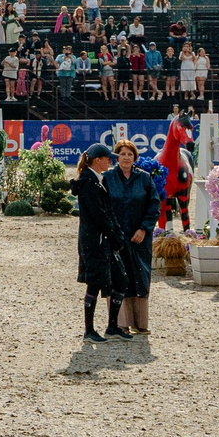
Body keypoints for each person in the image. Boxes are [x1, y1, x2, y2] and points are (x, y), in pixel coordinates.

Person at [105, 138, 158, 337]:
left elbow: (154, 205)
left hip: (139, 238)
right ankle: (120, 323)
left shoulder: (144, 178)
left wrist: (144, 229)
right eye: (122, 154)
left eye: (130, 154)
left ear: (135, 157)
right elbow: (104, 208)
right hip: (116, 237)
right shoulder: (108, 178)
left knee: (140, 277)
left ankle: (140, 323)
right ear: (116, 157)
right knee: (118, 277)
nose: (126, 158)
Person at [75, 145, 124, 341]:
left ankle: (112, 326)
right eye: (107, 159)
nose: (110, 162)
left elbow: (108, 212)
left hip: (104, 239)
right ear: (97, 160)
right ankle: (89, 330)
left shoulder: (99, 181)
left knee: (121, 279)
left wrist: (116, 233)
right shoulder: (88, 183)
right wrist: (114, 236)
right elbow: (99, 216)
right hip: (95, 241)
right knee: (94, 283)